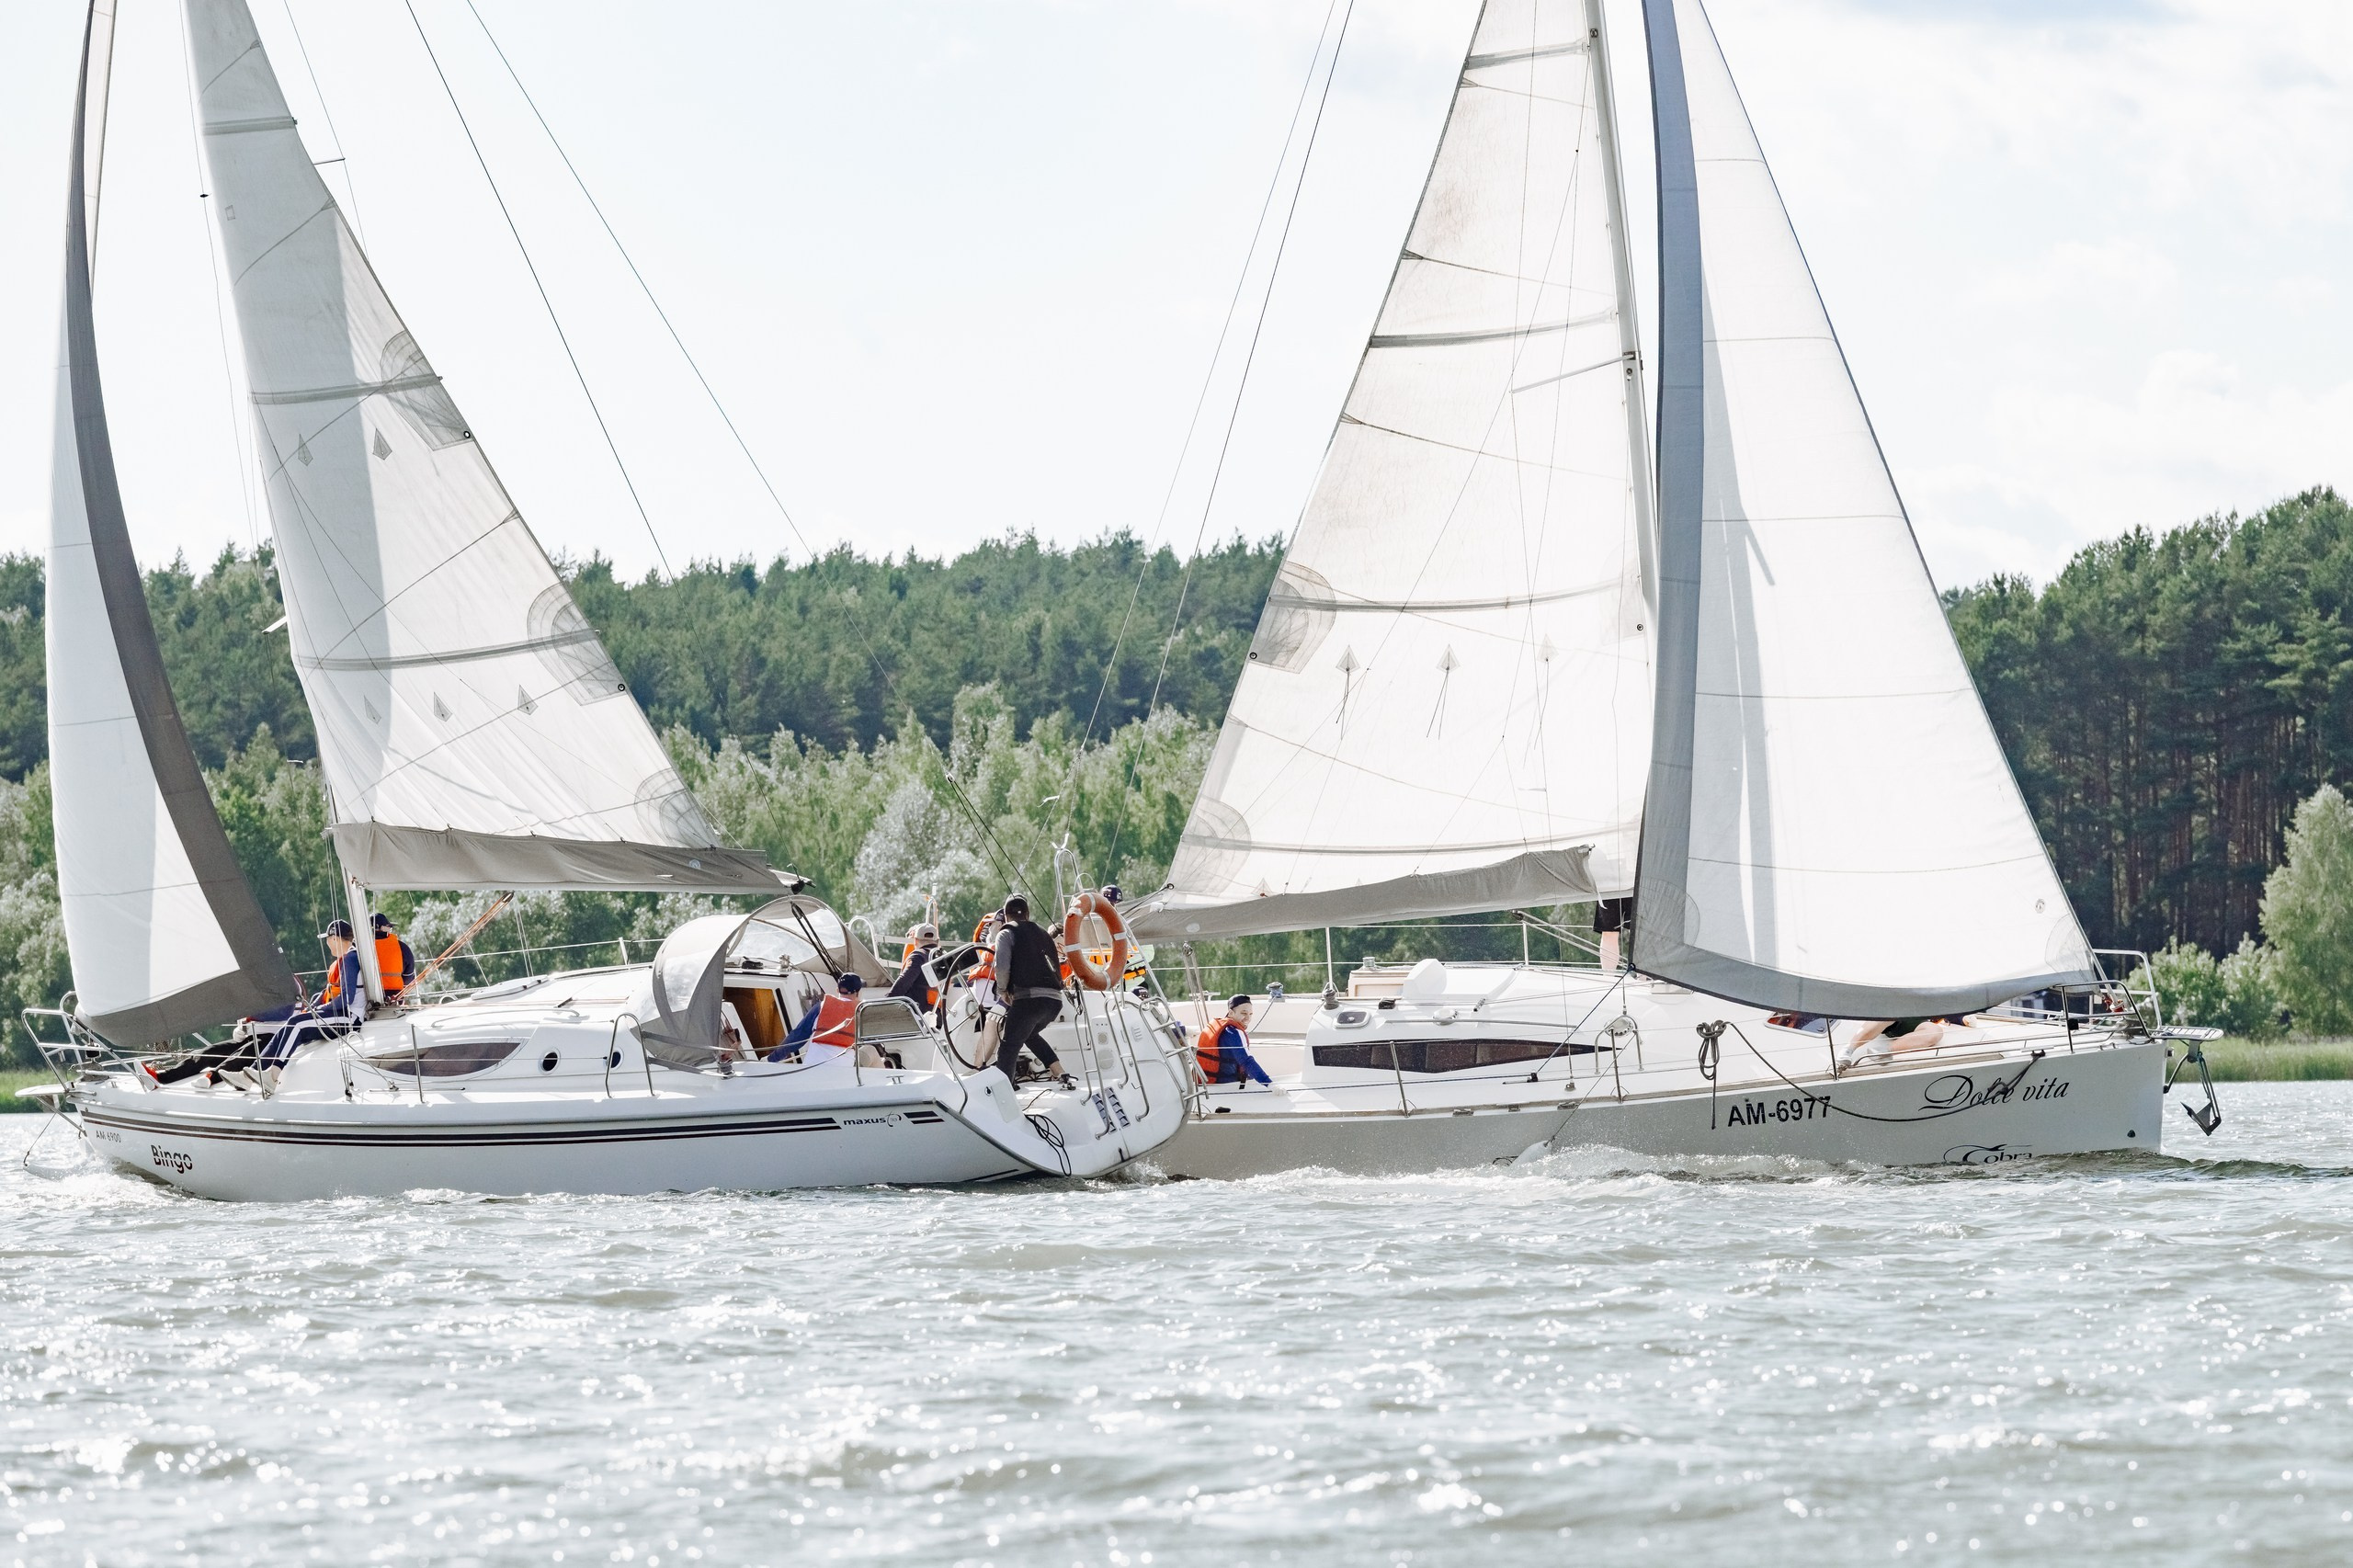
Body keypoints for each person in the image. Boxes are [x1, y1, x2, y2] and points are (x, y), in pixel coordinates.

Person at [992, 894, 1076, 1089]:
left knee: (1008, 1046)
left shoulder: (1005, 933)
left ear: (1005, 916)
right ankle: (1060, 1072)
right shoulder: (1044, 934)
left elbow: (1002, 967)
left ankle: (1004, 1090)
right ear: (1028, 915)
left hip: (1029, 1001)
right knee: (1029, 1035)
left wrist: (1003, 990)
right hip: (1054, 1001)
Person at [1194, 994, 1272, 1087]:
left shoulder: (1220, 1027)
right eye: (1244, 1013)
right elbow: (1246, 1061)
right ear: (1231, 1013)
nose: (1248, 1018)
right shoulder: (1233, 1033)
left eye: (1250, 1014)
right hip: (1227, 1087)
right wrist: (1268, 1083)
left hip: (1207, 1085)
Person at [890, 924, 941, 1008]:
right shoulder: (942, 957)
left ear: (916, 941)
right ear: (938, 941)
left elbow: (904, 982)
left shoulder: (918, 956)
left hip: (918, 1012)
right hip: (937, 1012)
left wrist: (887, 1001)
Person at [370, 911, 417, 1000]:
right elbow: (409, 976)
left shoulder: (361, 947)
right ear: (383, 928)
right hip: (395, 997)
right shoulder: (402, 947)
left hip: (368, 997)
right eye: (389, 928)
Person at [1594, 896, 1634, 971]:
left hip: (1638, 886)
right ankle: (1608, 978)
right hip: (1609, 887)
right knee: (1608, 932)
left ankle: (1642, 979)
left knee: (1639, 933)